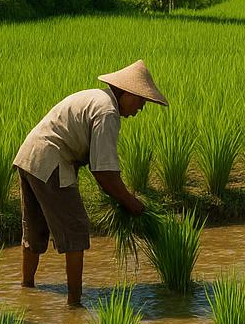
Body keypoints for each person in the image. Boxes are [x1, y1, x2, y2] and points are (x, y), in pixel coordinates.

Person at [13, 60, 165, 306]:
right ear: (126, 93)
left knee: (35, 229)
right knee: (76, 230)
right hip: (52, 162)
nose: (141, 108)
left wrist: (122, 195)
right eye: (141, 100)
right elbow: (104, 172)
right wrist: (131, 202)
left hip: (29, 157)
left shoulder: (96, 98)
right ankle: (75, 304)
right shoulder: (107, 112)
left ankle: (26, 289)